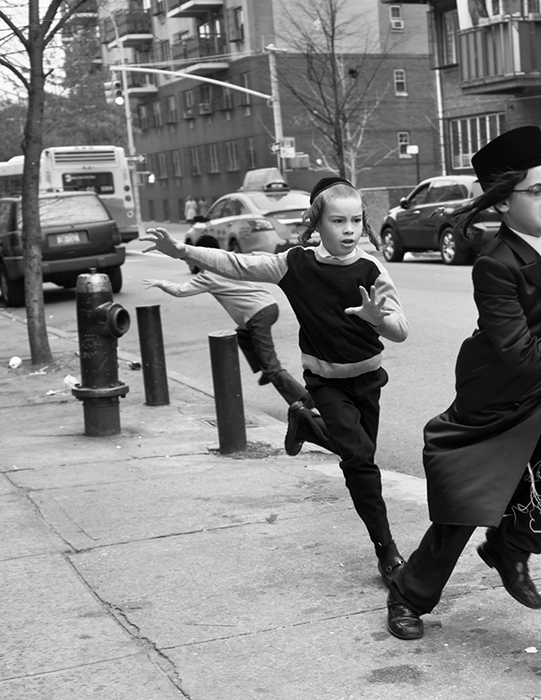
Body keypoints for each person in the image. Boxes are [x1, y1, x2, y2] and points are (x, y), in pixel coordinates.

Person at [384, 126, 541, 640]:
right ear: (503, 202)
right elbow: (520, 351)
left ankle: (508, 546)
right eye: (537, 191)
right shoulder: (494, 265)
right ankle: (408, 594)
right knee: (466, 506)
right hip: (496, 394)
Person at [140, 177, 409, 583]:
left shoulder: (372, 269)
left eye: (356, 220)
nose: (350, 230)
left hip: (369, 380)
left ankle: (307, 423)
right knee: (359, 461)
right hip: (325, 382)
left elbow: (401, 330)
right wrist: (181, 250)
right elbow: (237, 264)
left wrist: (378, 319)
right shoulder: (294, 264)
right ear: (317, 223)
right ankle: (386, 551)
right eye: (338, 221)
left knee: (360, 454)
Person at [141, 239, 324, 422]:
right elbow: (256, 256)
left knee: (272, 367)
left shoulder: (207, 277)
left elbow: (180, 291)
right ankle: (264, 368)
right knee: (242, 335)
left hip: (257, 316)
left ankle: (304, 400)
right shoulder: (229, 265)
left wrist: (161, 283)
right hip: (269, 307)